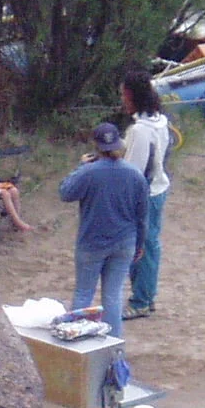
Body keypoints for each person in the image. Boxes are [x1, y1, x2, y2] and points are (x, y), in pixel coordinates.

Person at [57, 121, 148, 334]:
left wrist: (81, 166)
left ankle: (78, 347)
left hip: (92, 243)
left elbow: (65, 193)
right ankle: (114, 352)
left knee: (83, 294)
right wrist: (140, 244)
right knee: (113, 297)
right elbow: (143, 216)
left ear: (96, 146)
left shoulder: (88, 172)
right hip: (124, 241)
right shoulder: (135, 174)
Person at [120, 70, 173, 318]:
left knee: (141, 247)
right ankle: (147, 295)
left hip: (146, 195)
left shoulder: (140, 129)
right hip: (158, 188)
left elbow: (134, 170)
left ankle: (140, 299)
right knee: (151, 245)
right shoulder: (159, 120)